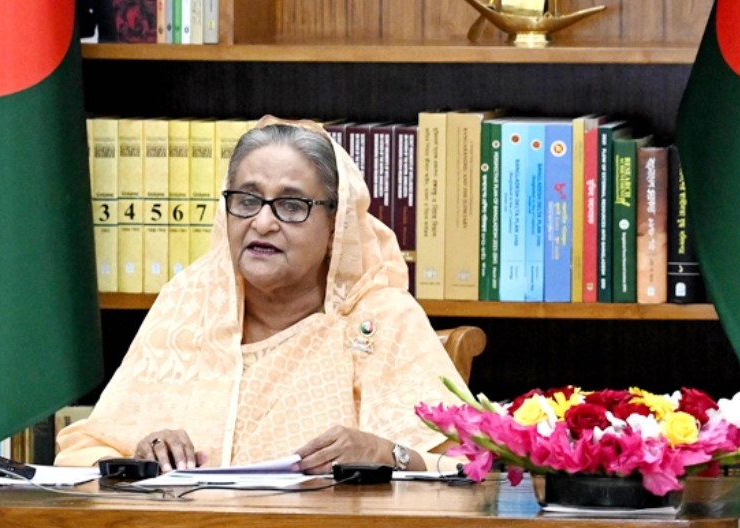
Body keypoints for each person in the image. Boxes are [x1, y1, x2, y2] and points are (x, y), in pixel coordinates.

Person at [55, 116, 470, 474]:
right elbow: (82, 453)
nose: (263, 223)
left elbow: (470, 466)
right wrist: (141, 457)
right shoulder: (188, 303)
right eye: (247, 200)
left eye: (291, 205)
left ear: (335, 226)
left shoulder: (381, 318)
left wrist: (389, 455)